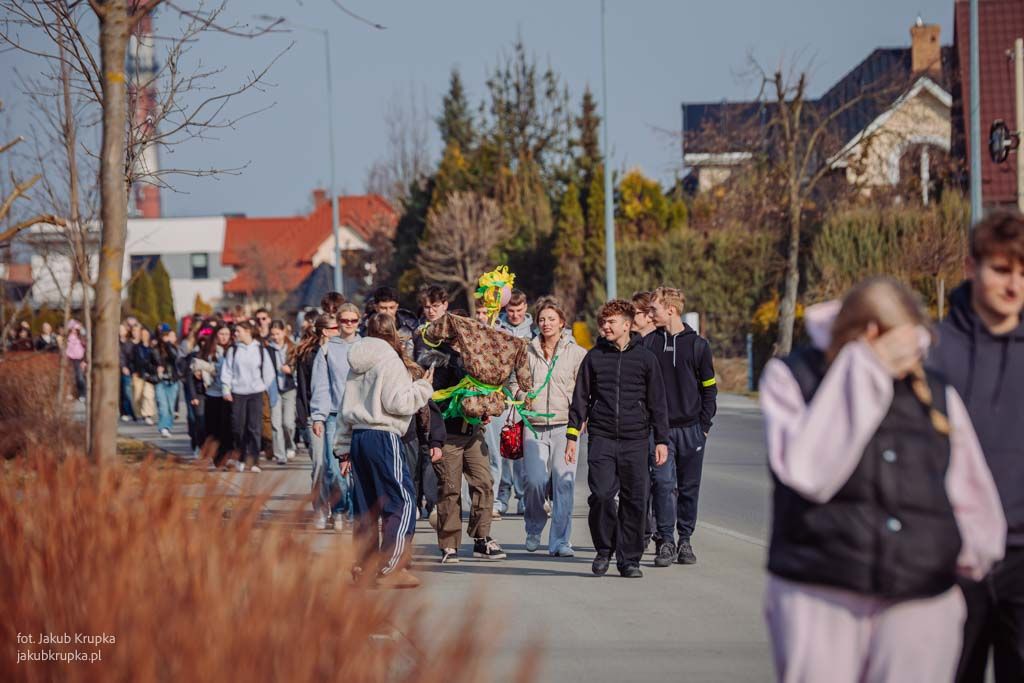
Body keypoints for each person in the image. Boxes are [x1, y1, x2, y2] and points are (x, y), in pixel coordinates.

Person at [760, 278, 1006, 683]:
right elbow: (808, 472)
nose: (917, 352)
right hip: (822, 587)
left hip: (920, 594)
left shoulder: (935, 390)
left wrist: (960, 562)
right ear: (874, 333)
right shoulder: (795, 378)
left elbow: (973, 495)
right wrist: (863, 370)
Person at [927, 213, 1024, 683]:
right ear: (972, 267)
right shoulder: (933, 352)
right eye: (1002, 270)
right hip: (953, 558)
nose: (1014, 284)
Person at [566, 299, 669, 579]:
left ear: (627, 325)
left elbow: (657, 401)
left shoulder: (646, 358)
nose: (605, 327)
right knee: (600, 495)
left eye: (611, 322)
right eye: (603, 322)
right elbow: (580, 399)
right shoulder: (594, 356)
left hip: (636, 439)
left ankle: (629, 559)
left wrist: (661, 440)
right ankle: (603, 550)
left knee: (635, 499)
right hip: (601, 437)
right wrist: (572, 436)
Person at [335, 312, 436, 589]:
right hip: (383, 434)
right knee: (401, 501)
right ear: (393, 333)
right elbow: (398, 403)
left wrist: (342, 449)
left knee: (366, 505)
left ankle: (363, 564)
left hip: (358, 435)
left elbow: (346, 408)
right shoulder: (390, 359)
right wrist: (423, 387)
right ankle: (391, 566)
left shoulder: (357, 362)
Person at [420, 302, 507, 565]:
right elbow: (431, 401)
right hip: (447, 435)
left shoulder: (476, 357)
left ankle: (482, 538)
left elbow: (484, 390)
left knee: (484, 482)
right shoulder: (437, 359)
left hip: (473, 432)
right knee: (449, 490)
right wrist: (435, 438)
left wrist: (484, 408)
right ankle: (449, 545)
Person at [643, 286, 718, 567]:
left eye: (654, 310)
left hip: (692, 430)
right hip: (660, 432)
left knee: (688, 487)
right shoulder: (648, 344)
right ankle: (666, 541)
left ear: (670, 310)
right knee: (663, 484)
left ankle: (685, 539)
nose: (650, 314)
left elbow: (710, 389)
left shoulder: (699, 346)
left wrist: (704, 426)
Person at [511, 297, 587, 557]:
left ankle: (560, 542)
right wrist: (523, 397)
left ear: (562, 323)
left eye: (551, 319)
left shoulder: (577, 353)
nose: (546, 323)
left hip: (565, 427)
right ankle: (533, 528)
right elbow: (513, 382)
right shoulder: (526, 350)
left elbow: (584, 390)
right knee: (534, 481)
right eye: (542, 319)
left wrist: (581, 420)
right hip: (533, 426)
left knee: (563, 484)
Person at [309, 307, 360, 529]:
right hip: (333, 414)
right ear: (337, 323)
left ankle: (354, 510)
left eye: (353, 320)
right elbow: (320, 384)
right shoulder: (328, 349)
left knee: (358, 469)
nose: (349, 324)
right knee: (333, 467)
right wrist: (318, 417)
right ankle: (339, 509)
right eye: (344, 320)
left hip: (359, 414)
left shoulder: (366, 345)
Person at [491, 288, 533, 517]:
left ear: (526, 308)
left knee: (524, 451)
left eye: (519, 310)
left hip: (525, 397)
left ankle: (524, 497)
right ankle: (501, 497)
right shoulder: (498, 327)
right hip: (502, 396)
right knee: (503, 450)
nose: (515, 315)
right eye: (511, 310)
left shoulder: (534, 331)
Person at [221, 320, 275, 473]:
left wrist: (266, 390)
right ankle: (241, 457)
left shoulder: (260, 350)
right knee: (238, 427)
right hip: (238, 393)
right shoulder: (233, 350)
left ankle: (254, 460)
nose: (235, 334)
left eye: (238, 331)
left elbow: (268, 373)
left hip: (255, 393)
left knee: (254, 428)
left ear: (248, 331)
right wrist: (226, 389)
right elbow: (227, 371)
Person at [197, 325, 233, 467]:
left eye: (226, 334)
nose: (224, 337)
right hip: (212, 393)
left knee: (227, 427)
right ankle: (215, 458)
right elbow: (195, 365)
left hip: (228, 394)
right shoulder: (208, 351)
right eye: (221, 334)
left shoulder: (233, 350)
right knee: (213, 428)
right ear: (216, 335)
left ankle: (227, 456)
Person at [267, 320, 298, 465]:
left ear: (284, 332)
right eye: (272, 334)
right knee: (275, 423)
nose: (275, 337)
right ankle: (280, 454)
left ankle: (290, 445)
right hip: (273, 390)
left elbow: (298, 367)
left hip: (289, 389)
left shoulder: (292, 348)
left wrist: (290, 370)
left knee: (288, 423)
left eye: (277, 334)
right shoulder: (267, 350)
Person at [153, 323, 182, 438]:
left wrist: (169, 345)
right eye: (164, 336)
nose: (166, 338)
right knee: (163, 405)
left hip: (172, 380)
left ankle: (167, 426)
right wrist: (156, 369)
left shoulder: (174, 348)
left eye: (169, 336)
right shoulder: (155, 349)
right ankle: (163, 428)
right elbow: (149, 363)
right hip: (160, 381)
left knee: (170, 407)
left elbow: (175, 359)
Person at [130, 325, 156, 425]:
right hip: (138, 374)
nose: (144, 336)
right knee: (137, 396)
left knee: (148, 395)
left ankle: (147, 414)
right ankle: (139, 414)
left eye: (146, 334)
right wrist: (133, 371)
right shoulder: (136, 347)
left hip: (149, 374)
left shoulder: (152, 347)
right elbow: (131, 360)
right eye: (143, 334)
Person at [118, 323, 136, 423]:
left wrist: (128, 368)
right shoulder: (115, 343)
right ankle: (123, 412)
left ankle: (131, 413)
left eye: (122, 329)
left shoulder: (130, 343)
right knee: (120, 392)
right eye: (119, 329)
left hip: (128, 370)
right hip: (118, 370)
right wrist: (122, 366)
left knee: (127, 391)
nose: (121, 331)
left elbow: (132, 358)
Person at [65, 321, 87, 400]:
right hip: (70, 359)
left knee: (80, 377)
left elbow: (86, 349)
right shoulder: (67, 338)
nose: (74, 331)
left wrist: (84, 360)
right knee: (70, 378)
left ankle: (83, 393)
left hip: (79, 359)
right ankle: (71, 393)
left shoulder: (81, 337)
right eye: (72, 329)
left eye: (75, 329)